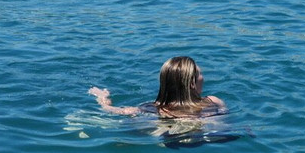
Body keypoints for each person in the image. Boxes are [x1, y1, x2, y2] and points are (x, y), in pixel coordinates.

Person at [89, 56, 226, 118]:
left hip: (170, 140)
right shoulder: (214, 102)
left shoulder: (151, 109)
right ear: (192, 83)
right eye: (200, 74)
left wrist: (102, 97)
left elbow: (110, 110)